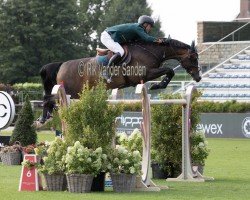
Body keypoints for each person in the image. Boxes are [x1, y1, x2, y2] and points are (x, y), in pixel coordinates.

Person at [100, 15, 163, 82]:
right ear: (145, 24)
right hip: (107, 36)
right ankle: (106, 71)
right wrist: (158, 40)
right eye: (150, 26)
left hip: (111, 37)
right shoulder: (138, 27)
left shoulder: (138, 29)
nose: (150, 29)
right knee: (121, 51)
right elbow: (146, 38)